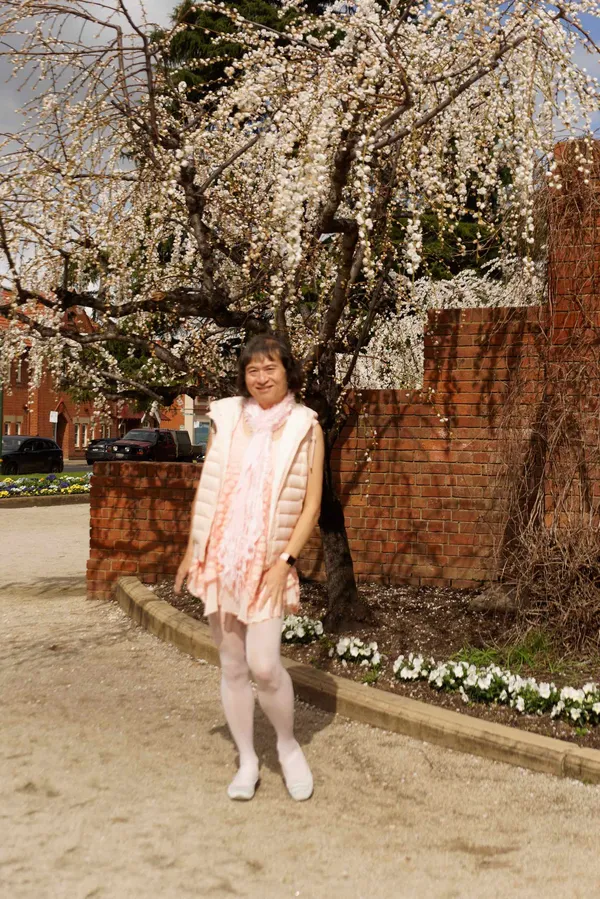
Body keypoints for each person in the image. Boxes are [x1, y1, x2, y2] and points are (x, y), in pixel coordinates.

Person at [175, 333, 325, 802]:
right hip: (222, 558)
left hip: (268, 564)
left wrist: (285, 561)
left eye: (270, 368)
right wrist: (191, 549)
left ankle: (286, 745)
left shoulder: (306, 427)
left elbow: (312, 506)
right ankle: (246, 759)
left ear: (287, 372)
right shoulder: (225, 419)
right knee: (233, 665)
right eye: (253, 370)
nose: (261, 377)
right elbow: (210, 488)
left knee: (265, 665)